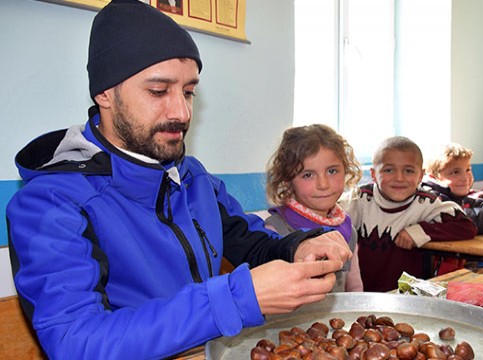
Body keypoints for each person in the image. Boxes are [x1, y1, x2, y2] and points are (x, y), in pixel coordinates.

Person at [5, 1, 351, 358]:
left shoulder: (191, 177)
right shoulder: (48, 203)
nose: (182, 113)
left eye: (188, 92)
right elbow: (78, 343)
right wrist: (238, 297)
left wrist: (298, 246)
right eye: (158, 91)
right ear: (105, 94)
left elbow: (251, 242)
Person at [340, 136, 477, 292]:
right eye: (388, 170)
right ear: (373, 174)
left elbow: (466, 226)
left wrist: (418, 232)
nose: (399, 178)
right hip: (362, 294)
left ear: (421, 175)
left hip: (408, 297)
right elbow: (333, 223)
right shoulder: (359, 199)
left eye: (409, 171)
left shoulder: (426, 203)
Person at [264, 124, 363, 292]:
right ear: (288, 181)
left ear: (346, 171)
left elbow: (354, 287)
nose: (323, 184)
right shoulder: (274, 231)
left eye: (332, 171)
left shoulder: (348, 230)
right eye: (308, 175)